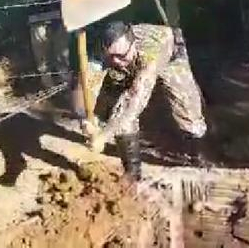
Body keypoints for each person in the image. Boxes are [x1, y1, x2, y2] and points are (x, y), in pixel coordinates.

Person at [81, 21, 211, 181]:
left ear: (133, 44)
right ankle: (132, 173)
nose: (116, 62)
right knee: (118, 111)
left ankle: (197, 158)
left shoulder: (152, 52)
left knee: (187, 108)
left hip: (170, 55)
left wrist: (104, 135)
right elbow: (88, 85)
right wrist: (87, 118)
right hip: (135, 63)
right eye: (111, 57)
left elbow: (135, 101)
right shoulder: (106, 50)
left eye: (121, 56)